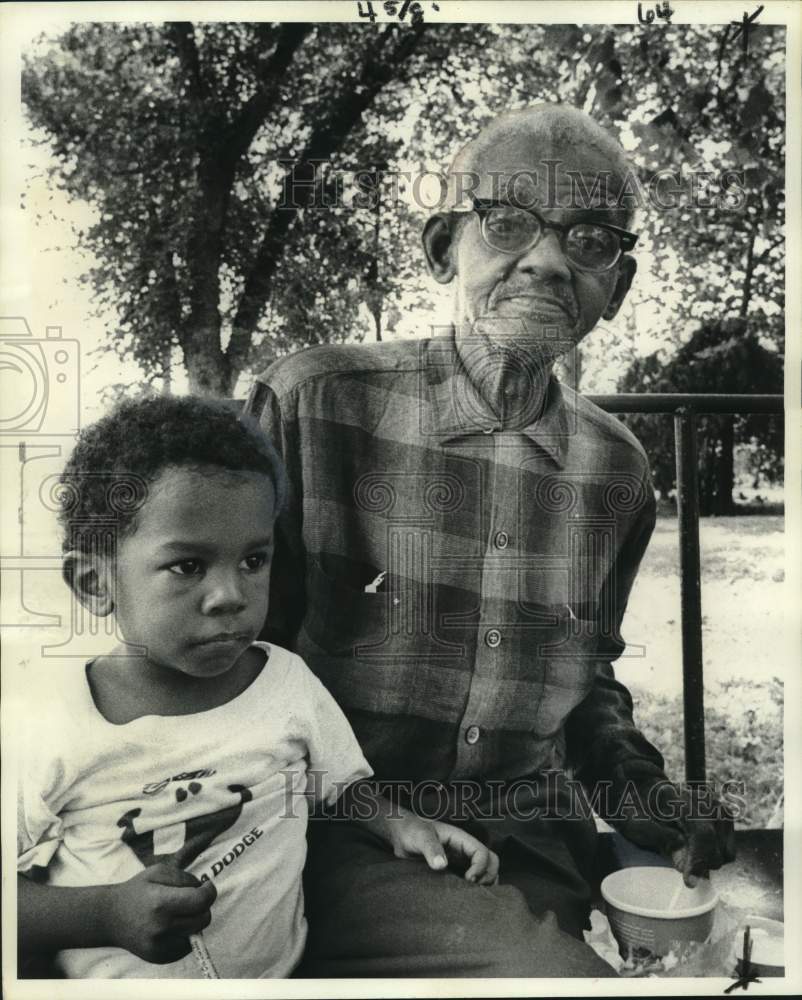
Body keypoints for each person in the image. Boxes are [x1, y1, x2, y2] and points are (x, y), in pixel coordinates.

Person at [248, 104, 735, 977]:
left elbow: (583, 680)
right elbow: (232, 659)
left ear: (615, 287)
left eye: (590, 238)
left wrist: (639, 789)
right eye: (506, 222)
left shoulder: (618, 471)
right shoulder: (316, 403)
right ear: (444, 247)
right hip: (343, 836)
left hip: (531, 844)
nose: (547, 259)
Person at [16, 396, 499, 979]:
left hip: (282, 976)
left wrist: (399, 823)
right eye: (188, 565)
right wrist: (106, 914)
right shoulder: (52, 723)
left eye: (253, 559)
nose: (231, 595)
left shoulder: (285, 683)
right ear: (96, 584)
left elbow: (338, 784)